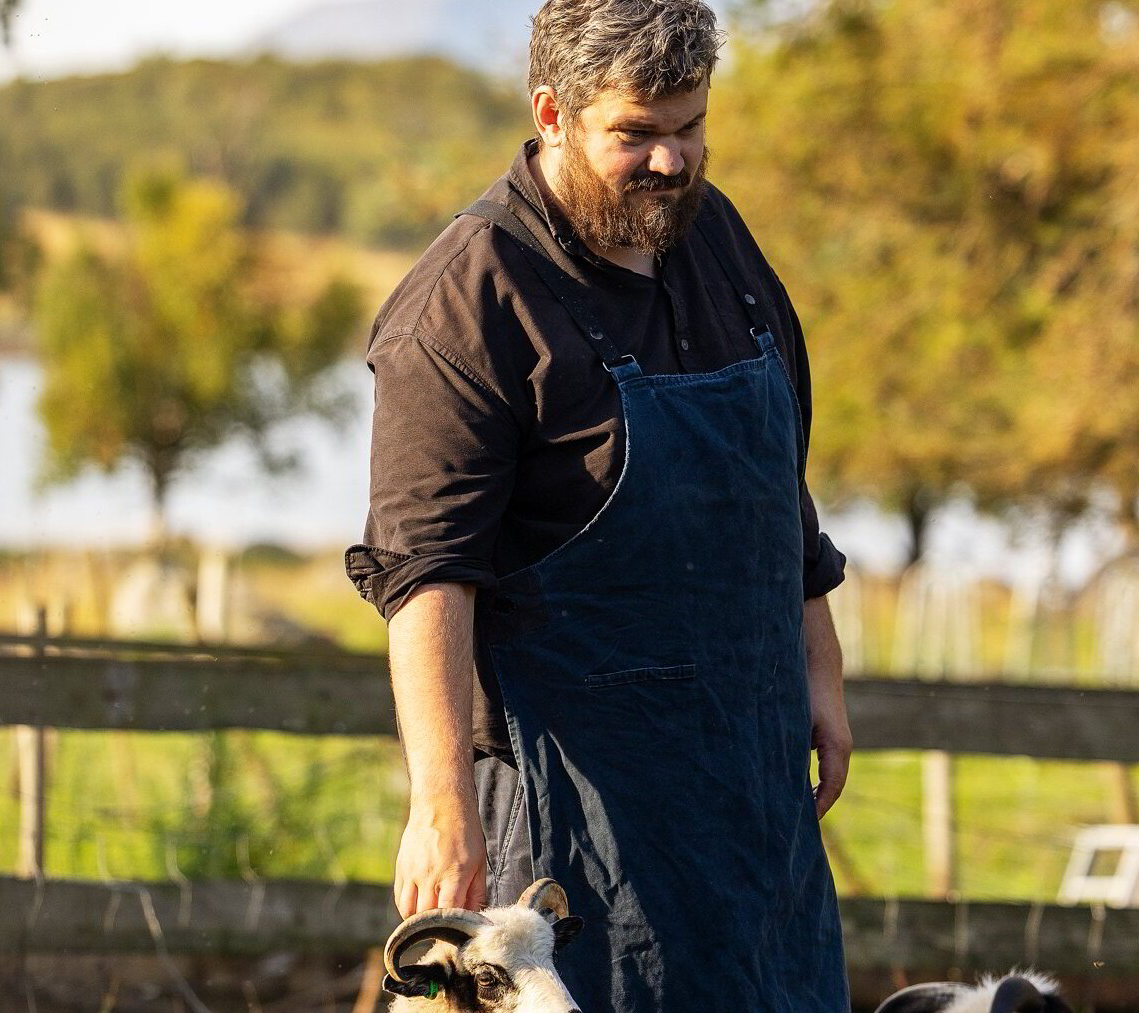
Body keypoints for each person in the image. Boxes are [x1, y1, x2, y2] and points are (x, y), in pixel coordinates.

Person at [344, 1, 853, 1008]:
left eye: (691, 125)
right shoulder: (465, 305)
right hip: (575, 832)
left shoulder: (720, 244)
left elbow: (773, 483)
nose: (672, 162)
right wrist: (441, 803)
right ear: (554, 113)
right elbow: (426, 574)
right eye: (637, 133)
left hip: (751, 808)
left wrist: (822, 671)